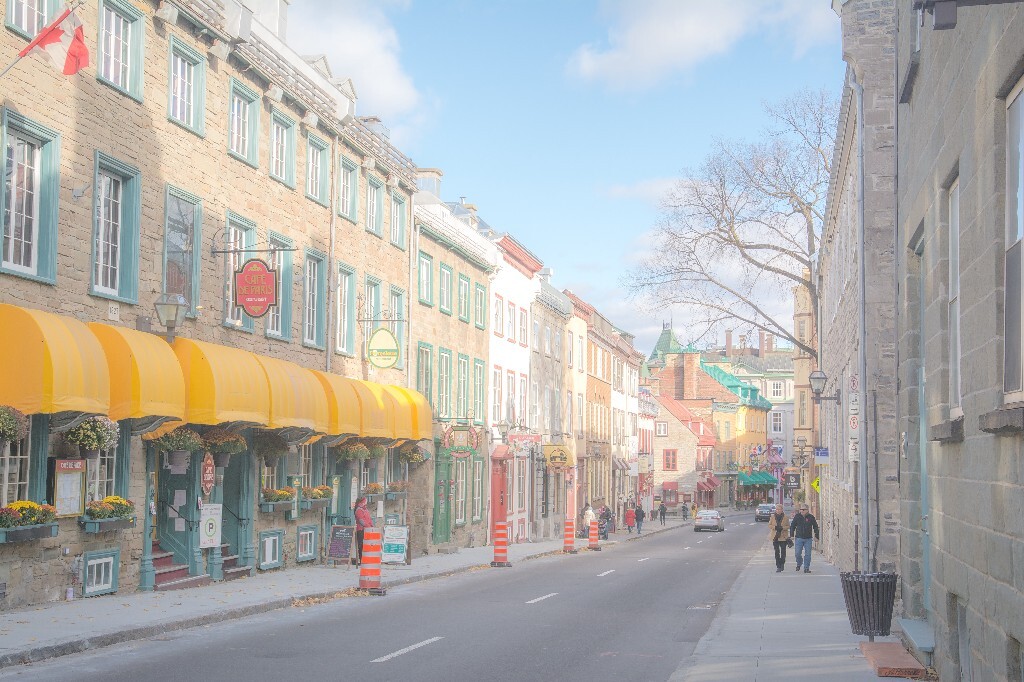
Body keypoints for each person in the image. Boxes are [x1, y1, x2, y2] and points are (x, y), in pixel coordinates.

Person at [790, 504, 820, 573]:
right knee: (797, 553)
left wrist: (817, 536)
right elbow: (792, 526)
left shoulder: (811, 517)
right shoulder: (797, 517)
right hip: (799, 538)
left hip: (808, 539)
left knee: (808, 554)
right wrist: (791, 535)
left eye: (803, 509)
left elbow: (815, 527)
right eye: (801, 509)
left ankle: (806, 567)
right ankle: (799, 563)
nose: (802, 511)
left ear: (807, 510)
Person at [768, 503, 791, 572]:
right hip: (775, 537)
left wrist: (782, 528)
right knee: (777, 552)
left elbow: (788, 526)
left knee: (783, 552)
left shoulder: (786, 517)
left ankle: (782, 563)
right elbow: (769, 525)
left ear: (782, 510)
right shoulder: (772, 517)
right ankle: (778, 566)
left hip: (783, 537)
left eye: (779, 509)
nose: (778, 511)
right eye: (777, 509)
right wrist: (774, 527)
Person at [353, 496, 373, 566]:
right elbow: (361, 520)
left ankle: (367, 559)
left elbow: (369, 519)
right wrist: (368, 526)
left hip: (368, 529)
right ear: (362, 501)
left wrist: (371, 525)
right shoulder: (359, 510)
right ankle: (362, 560)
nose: (366, 502)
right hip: (361, 529)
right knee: (361, 545)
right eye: (365, 500)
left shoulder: (365, 509)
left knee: (368, 545)